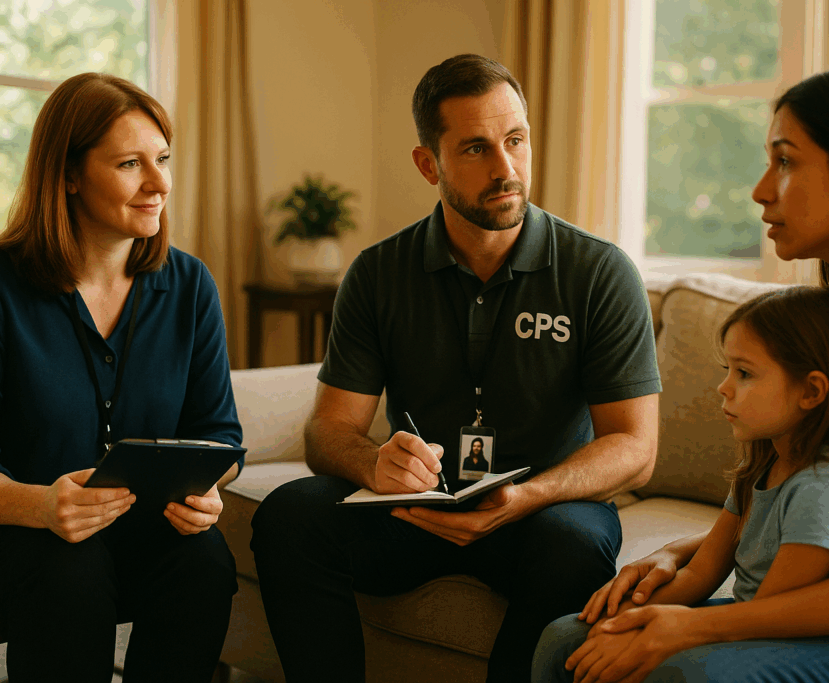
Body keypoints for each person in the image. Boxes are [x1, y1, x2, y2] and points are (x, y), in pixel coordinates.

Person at [531, 64, 829, 683]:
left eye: (785, 161)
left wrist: (695, 626)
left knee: (690, 674)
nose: (760, 190)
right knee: (566, 641)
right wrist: (682, 554)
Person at [250, 53, 661, 683]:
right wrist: (374, 463)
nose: (506, 168)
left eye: (516, 140)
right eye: (475, 149)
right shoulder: (378, 273)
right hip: (415, 507)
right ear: (428, 164)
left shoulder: (599, 272)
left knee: (576, 547)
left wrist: (527, 496)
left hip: (541, 511)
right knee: (289, 515)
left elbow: (635, 445)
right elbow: (327, 430)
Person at [0, 72, 243, 683]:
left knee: (205, 560)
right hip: (16, 531)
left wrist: (207, 488)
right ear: (68, 175)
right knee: (69, 568)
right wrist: (43, 506)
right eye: (130, 164)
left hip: (138, 531)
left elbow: (220, 438)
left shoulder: (190, 285)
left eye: (163, 159)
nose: (160, 184)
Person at [533, 285, 829, 682]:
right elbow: (701, 572)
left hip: (788, 640)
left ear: (811, 391)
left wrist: (652, 637)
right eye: (728, 370)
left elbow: (770, 616)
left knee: (663, 670)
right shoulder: (760, 467)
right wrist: (624, 618)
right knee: (565, 636)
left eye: (744, 373)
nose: (724, 387)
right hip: (745, 621)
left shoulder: (821, 490)